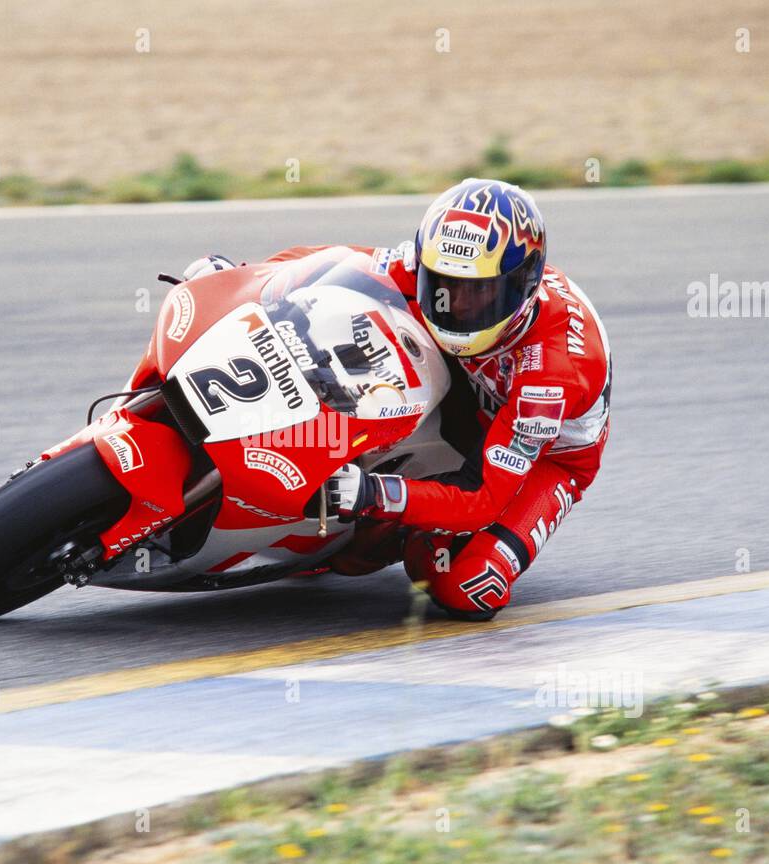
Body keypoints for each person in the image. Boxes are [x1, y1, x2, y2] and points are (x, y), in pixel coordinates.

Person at [182, 179, 611, 620]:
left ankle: (378, 536)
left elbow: (483, 498)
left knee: (463, 584)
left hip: (545, 456)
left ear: (522, 287)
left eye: (480, 292)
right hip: (467, 385)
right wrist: (241, 279)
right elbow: (331, 263)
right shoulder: (421, 268)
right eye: (443, 284)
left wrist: (370, 492)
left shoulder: (553, 376)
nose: (457, 305)